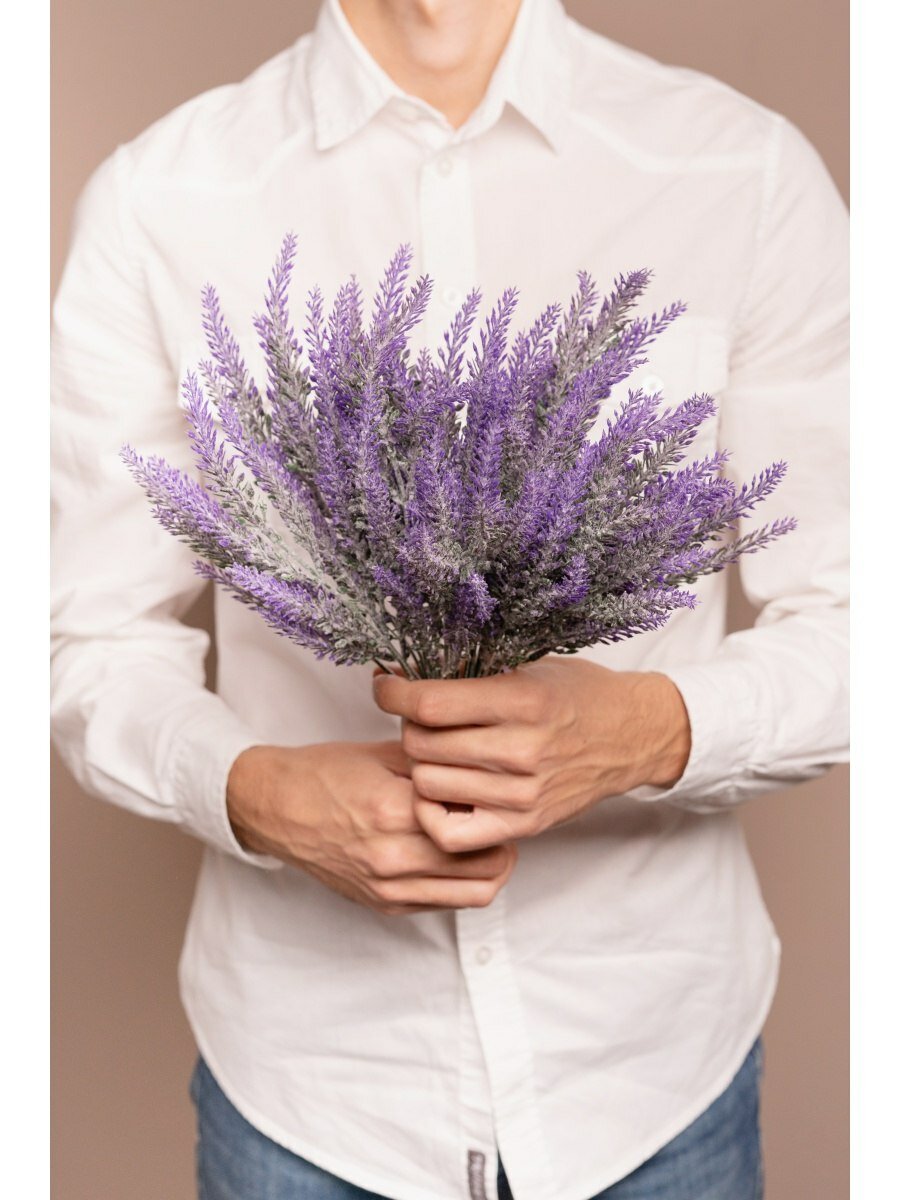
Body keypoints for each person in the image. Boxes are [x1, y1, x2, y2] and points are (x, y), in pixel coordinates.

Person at [50, 0, 849, 1196]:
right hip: (313, 1096)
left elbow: (859, 617)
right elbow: (88, 637)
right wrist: (255, 793)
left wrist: (643, 732)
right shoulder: (162, 196)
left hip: (649, 1078)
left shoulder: (739, 170)